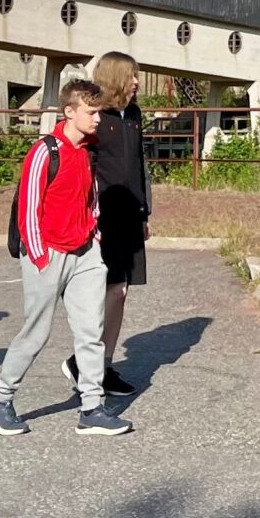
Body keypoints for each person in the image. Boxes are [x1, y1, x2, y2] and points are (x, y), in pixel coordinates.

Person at [0, 78, 132, 439]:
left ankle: (92, 407)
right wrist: (39, 256)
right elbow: (28, 209)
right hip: (47, 253)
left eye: (99, 111)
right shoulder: (45, 151)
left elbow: (89, 197)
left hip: (85, 254)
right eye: (91, 112)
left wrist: (93, 236)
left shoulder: (88, 150)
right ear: (69, 112)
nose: (98, 119)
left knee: (91, 332)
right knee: (36, 333)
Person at [87, 52, 149, 394]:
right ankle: (87, 362)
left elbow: (140, 167)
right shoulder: (97, 117)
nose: (137, 81)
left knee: (121, 292)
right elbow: (87, 168)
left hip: (130, 215)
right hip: (103, 217)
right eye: (132, 75)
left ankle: (103, 365)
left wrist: (145, 213)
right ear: (115, 77)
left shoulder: (134, 114)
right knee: (105, 290)